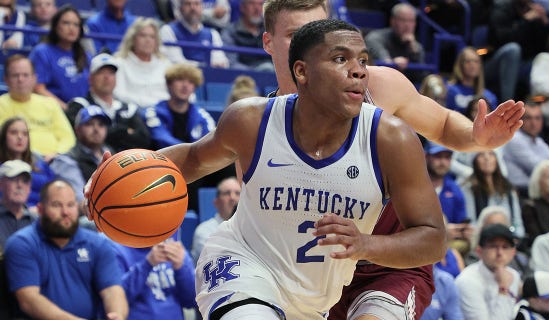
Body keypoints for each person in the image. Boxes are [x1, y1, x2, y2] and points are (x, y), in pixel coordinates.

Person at [87, 18, 446, 319]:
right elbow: (194, 158)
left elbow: (433, 239)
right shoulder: (252, 120)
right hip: (243, 263)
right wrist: (119, 175)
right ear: (301, 72)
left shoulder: (391, 139)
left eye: (362, 60)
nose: (358, 70)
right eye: (340, 59)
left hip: (317, 296)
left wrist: (366, 244)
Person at [260, 1, 524, 319]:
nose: (310, 45)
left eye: (318, 32)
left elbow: (440, 124)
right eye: (294, 35)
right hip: (311, 274)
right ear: (268, 42)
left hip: (387, 266)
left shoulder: (378, 87)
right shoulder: (259, 125)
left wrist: (477, 137)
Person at [5, 179, 128, 319]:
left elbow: (113, 290)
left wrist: (116, 315)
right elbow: (29, 300)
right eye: (57, 205)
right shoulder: (22, 244)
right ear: (40, 209)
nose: (65, 212)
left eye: (70, 205)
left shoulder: (97, 244)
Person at [67, 53, 151, 152]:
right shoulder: (79, 105)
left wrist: (110, 133)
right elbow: (82, 137)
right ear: (90, 79)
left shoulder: (129, 108)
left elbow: (144, 140)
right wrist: (125, 131)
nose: (106, 77)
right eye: (101, 72)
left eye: (111, 73)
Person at [0, 54, 75, 158]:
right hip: (15, 160)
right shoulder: (1, 104)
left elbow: (68, 138)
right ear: (6, 80)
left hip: (55, 160)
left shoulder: (50, 103)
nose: (21, 79)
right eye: (15, 75)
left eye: (25, 75)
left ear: (34, 79)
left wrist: (56, 154)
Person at [112, 235, 197, 320]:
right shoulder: (117, 248)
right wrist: (147, 264)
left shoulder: (174, 248)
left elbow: (192, 301)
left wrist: (181, 268)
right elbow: (115, 300)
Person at [455, 223, 521, 320]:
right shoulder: (467, 280)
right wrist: (503, 289)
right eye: (493, 246)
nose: (500, 253)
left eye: (505, 247)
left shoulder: (513, 275)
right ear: (479, 251)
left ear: (513, 252)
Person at [29, 5, 91, 108]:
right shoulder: (42, 52)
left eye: (76, 25)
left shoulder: (86, 56)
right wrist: (66, 109)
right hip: (50, 110)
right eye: (66, 23)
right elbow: (38, 88)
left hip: (82, 113)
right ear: (56, 26)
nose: (71, 28)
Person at [143, 63, 215, 149]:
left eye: (191, 82)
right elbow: (161, 138)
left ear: (194, 88)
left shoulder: (203, 116)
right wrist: (192, 151)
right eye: (180, 79)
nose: (185, 85)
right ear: (169, 84)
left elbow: (210, 143)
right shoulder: (152, 113)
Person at [461, 150, 524, 238]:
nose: (487, 158)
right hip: (481, 240)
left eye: (491, 154)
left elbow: (517, 222)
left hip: (508, 238)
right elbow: (471, 222)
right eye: (481, 155)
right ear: (474, 160)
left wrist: (516, 237)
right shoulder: (468, 188)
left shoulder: (508, 187)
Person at [113, 17, 172, 109]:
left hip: (163, 112)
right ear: (133, 39)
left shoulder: (165, 64)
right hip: (132, 113)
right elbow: (118, 93)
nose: (148, 40)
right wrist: (149, 105)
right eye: (143, 36)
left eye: (152, 37)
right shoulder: (119, 62)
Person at [0, 117, 56, 208]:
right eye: (14, 133)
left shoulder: (41, 165)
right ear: (3, 137)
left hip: (43, 214)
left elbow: (54, 192)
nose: (20, 137)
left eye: (25, 134)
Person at [364, 3, 426, 83]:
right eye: (403, 20)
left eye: (411, 21)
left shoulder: (416, 46)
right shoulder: (375, 38)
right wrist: (393, 63)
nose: (407, 25)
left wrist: (413, 50)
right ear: (393, 21)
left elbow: (422, 77)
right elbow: (385, 63)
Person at [160, 0, 229, 68]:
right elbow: (176, 63)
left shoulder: (212, 33)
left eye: (197, 4)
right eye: (188, 4)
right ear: (180, 8)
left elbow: (221, 62)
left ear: (202, 8)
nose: (193, 8)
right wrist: (205, 66)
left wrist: (216, 65)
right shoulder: (168, 30)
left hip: (209, 77)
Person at [191, 176, 241, 261]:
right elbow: (216, 260)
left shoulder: (248, 229)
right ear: (216, 202)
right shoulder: (204, 230)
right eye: (227, 193)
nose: (232, 198)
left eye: (237, 193)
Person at [220, 0, 274, 71]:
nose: (257, 9)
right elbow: (231, 62)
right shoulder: (230, 32)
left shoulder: (271, 30)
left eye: (260, 4)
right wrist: (256, 72)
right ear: (242, 7)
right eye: (252, 4)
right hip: (242, 78)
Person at [445, 47, 498, 113]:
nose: (472, 65)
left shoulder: (489, 97)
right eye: (468, 61)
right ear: (460, 65)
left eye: (476, 61)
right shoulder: (449, 90)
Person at [0, 160, 36, 250]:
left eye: (25, 181)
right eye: (13, 180)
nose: (20, 185)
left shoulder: (38, 222)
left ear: (29, 187)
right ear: (1, 184)